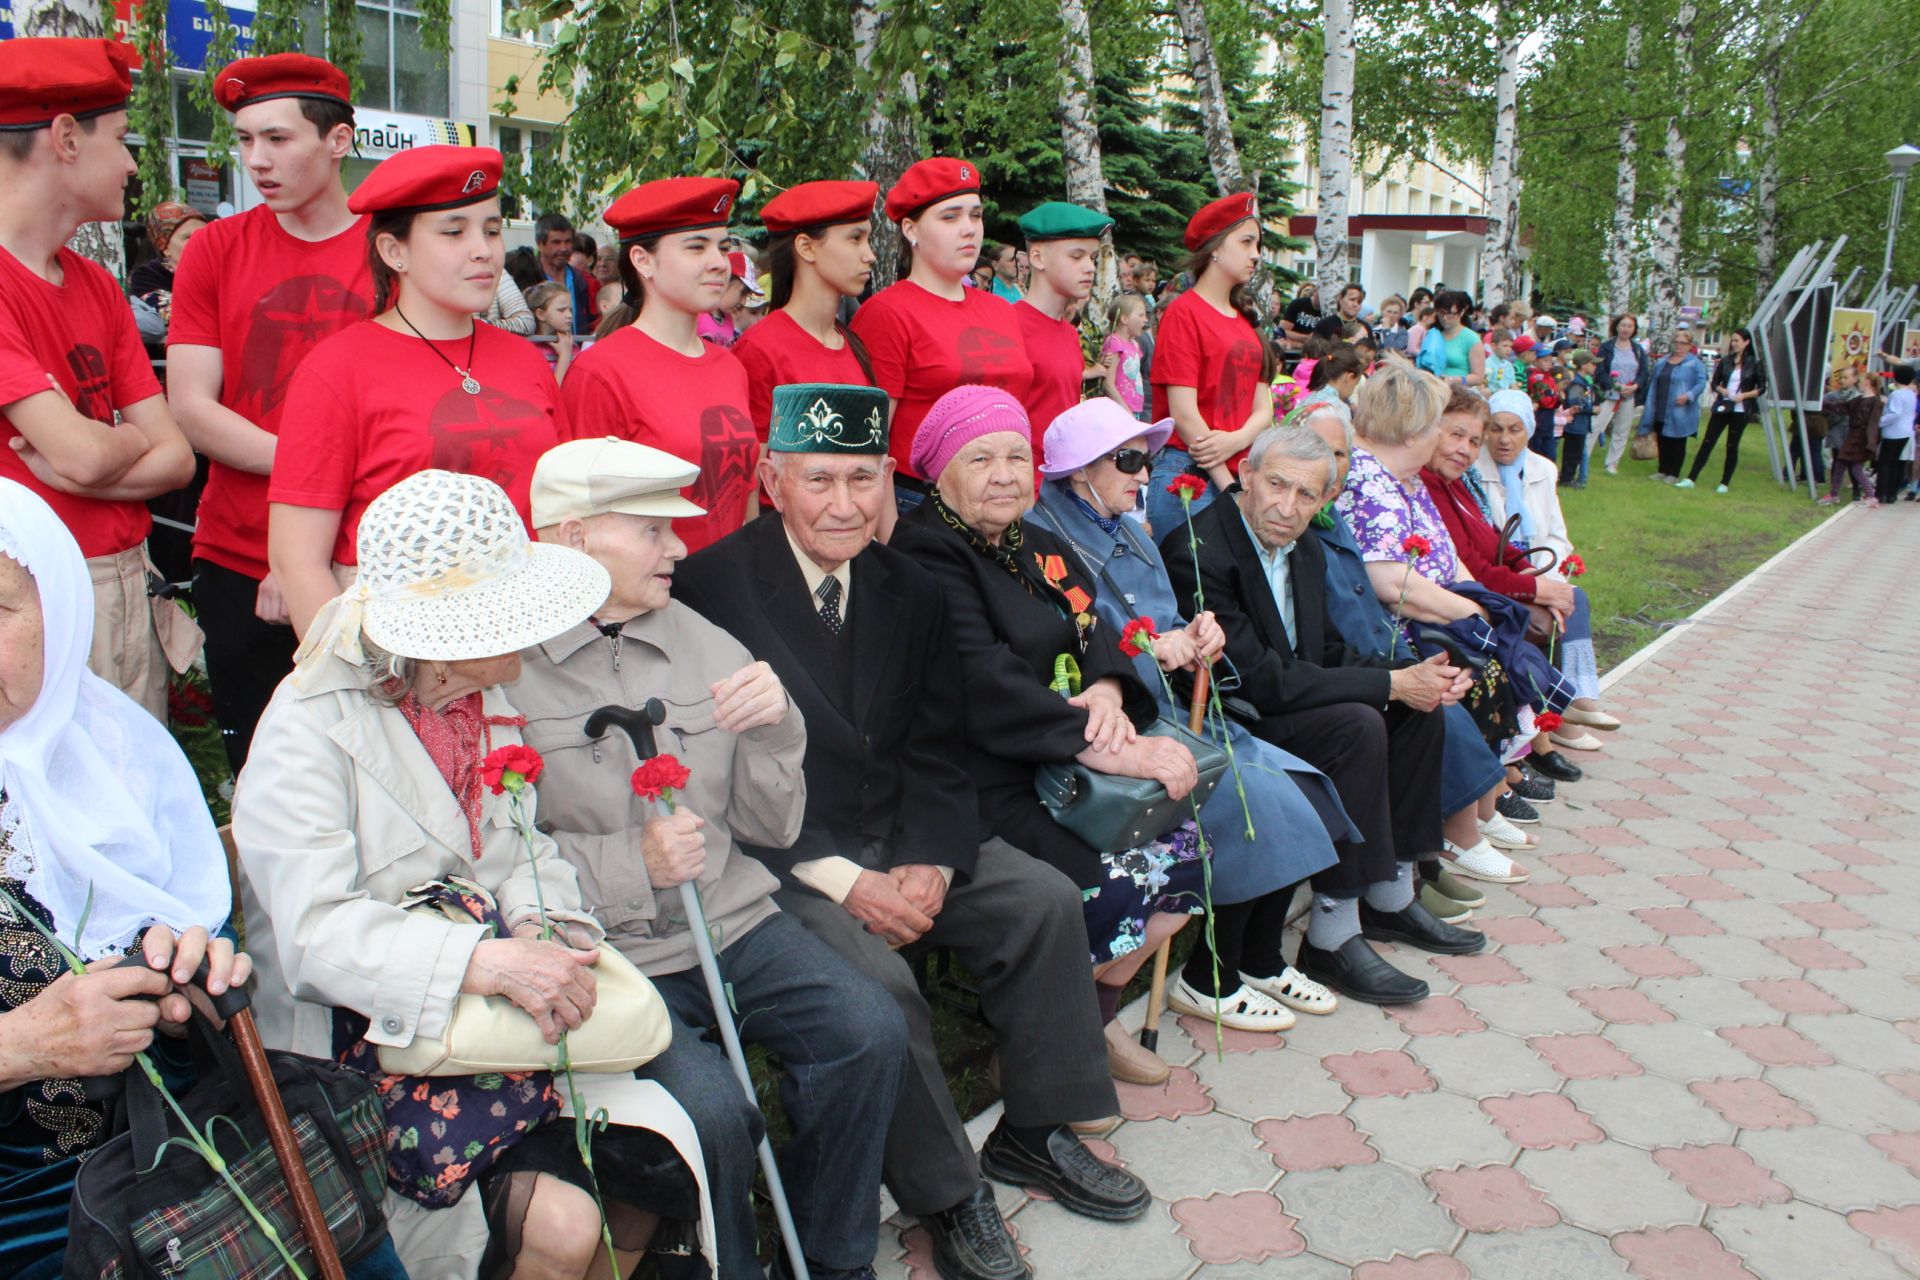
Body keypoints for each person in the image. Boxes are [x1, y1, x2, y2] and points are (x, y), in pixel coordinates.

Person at [678, 384, 1146, 1280]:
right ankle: (950, 1195)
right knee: (877, 983)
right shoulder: (711, 588)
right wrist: (846, 882)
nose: (845, 505)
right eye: (820, 480)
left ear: (891, 479)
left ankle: (1036, 1135)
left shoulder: (910, 583)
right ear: (772, 478)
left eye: (864, 479)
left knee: (1041, 903)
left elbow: (940, 742)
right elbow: (712, 781)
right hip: (785, 860)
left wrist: (933, 855)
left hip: (907, 829)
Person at [236, 469, 712, 1279]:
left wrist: (538, 925)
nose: (534, 635)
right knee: (565, 1222)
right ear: (448, 632)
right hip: (369, 1053)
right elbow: (314, 938)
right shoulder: (307, 730)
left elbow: (520, 852)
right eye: (513, 614)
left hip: (497, 1022)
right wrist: (484, 961)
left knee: (654, 1172)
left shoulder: (473, 699)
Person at [514, 437, 906, 1280]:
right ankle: (729, 1264)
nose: (680, 548)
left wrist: (778, 730)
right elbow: (493, 860)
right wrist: (632, 863)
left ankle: (831, 1258)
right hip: (604, 950)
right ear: (573, 537)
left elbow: (768, 825)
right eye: (653, 530)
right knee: (711, 1114)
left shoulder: (704, 641)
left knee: (866, 1031)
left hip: (729, 921)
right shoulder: (502, 671)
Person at [0, 481, 329, 1280]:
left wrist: (187, 985)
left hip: (171, 1178)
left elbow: (195, 947)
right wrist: (21, 1046)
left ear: (63, 609)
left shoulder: (117, 750)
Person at [891, 385, 1214, 1069]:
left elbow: (1094, 623)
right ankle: (1056, 1029)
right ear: (940, 472)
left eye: (1017, 454)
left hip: (1065, 754)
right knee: (1115, 875)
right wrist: (1107, 750)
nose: (1006, 473)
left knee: (1187, 856)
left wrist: (1103, 687)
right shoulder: (926, 555)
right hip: (983, 771)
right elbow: (980, 679)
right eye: (981, 460)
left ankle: (1086, 1013)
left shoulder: (1033, 541)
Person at [1027, 398, 1358, 1027]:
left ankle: (1256, 958)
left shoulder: (1127, 527)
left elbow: (1168, 619)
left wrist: (1197, 634)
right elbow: (1077, 638)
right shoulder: (1047, 538)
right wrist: (1154, 645)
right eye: (1127, 460)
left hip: (1176, 707)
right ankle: (1213, 974)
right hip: (1120, 723)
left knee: (1301, 788)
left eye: (1146, 458)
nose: (1144, 472)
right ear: (1077, 470)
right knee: (1260, 802)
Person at [1163, 421, 1487, 1005]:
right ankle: (1334, 930)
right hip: (1236, 714)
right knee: (1359, 722)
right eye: (1278, 485)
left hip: (1288, 698)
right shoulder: (1200, 549)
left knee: (1419, 710)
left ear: (1326, 499)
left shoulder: (1302, 545)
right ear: (1246, 475)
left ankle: (1390, 894)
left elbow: (1327, 650)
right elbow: (1260, 680)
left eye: (1307, 495)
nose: (1288, 507)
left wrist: (1420, 673)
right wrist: (1388, 684)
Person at [268, 146, 565, 638]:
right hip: (400, 643)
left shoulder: (524, 359)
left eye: (491, 230)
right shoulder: (338, 369)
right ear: (394, 251)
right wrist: (358, 676)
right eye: (454, 231)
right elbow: (296, 558)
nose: (483, 250)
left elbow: (559, 510)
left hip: (530, 630)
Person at [170, 54, 375, 762]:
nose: (256, 160)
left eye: (277, 139)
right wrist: (304, 510)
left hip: (364, 562)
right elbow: (193, 407)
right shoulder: (216, 249)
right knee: (262, 774)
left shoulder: (392, 248)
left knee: (376, 771)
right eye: (245, 140)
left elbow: (401, 418)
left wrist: (309, 551)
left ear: (338, 141)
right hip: (233, 549)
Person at [0, 37, 200, 719]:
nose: (130, 163)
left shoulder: (93, 282)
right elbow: (86, 452)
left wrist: (88, 456)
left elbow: (173, 457)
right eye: (120, 139)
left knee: (127, 804)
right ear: (64, 138)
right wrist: (105, 443)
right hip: (33, 601)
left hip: (123, 583)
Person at [1291, 404, 1511, 916]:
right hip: (1332, 672)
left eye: (1342, 454)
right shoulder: (1298, 532)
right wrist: (1392, 679)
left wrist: (1402, 671)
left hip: (1369, 650)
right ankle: (1408, 870)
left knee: (1438, 691)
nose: (1332, 465)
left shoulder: (1332, 519)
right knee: (1393, 713)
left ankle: (1416, 864)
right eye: (1320, 452)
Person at [566, 176, 759, 554]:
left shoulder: (730, 366)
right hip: (654, 594)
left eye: (722, 247)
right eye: (696, 247)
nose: (719, 263)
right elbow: (581, 514)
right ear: (642, 260)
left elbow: (745, 490)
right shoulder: (602, 372)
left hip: (731, 584)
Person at [849, 158, 1035, 507]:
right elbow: (871, 444)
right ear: (911, 230)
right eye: (950, 217)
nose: (969, 229)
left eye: (975, 215)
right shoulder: (887, 313)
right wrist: (891, 538)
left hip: (1003, 496)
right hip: (922, 502)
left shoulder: (1000, 310)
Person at [1443, 390, 1618, 753]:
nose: (1503, 439)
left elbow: (1552, 534)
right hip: (1489, 585)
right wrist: (1534, 588)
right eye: (1495, 429)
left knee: (1570, 600)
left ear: (1530, 432)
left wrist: (1542, 581)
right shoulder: (1471, 470)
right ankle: (1551, 727)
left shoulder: (1541, 469)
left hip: (1531, 566)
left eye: (1515, 429)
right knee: (1539, 616)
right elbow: (1482, 556)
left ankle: (1572, 708)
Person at [1145, 192, 1275, 532]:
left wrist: (1235, 444)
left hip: (1237, 473)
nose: (1256, 255)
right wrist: (1228, 485)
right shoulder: (1183, 313)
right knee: (1189, 584)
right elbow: (1184, 414)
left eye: (1257, 244)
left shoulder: (1246, 323)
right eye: (1246, 242)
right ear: (1215, 247)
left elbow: (1264, 409)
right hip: (1189, 478)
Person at [733, 179, 879, 436]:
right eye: (855, 238)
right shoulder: (761, 350)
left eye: (868, 239)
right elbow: (755, 470)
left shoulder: (853, 346)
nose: (870, 255)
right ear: (806, 247)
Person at [1013, 201, 1114, 432]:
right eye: (1076, 256)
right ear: (1038, 258)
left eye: (1093, 258)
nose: (1090, 267)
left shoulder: (1069, 332)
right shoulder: (1009, 326)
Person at [1681, 328, 1767, 492]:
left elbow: (1762, 388)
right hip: (1723, 406)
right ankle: (1691, 477)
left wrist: (1745, 395)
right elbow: (1714, 383)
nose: (1733, 343)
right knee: (1708, 441)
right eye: (1732, 340)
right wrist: (1723, 390)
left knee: (1732, 445)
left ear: (1746, 342)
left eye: (1737, 340)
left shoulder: (1754, 363)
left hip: (1740, 409)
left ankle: (1724, 483)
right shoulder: (1726, 361)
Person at [1643, 329, 1708, 482]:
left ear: (1689, 345)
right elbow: (1654, 381)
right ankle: (1662, 469)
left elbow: (1701, 383)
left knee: (1677, 440)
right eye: (1676, 342)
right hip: (1660, 405)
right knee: (1662, 438)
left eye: (1682, 343)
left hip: (1680, 408)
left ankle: (1674, 473)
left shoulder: (1695, 363)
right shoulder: (1663, 361)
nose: (1678, 345)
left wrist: (1689, 395)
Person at [128, 200, 208, 323]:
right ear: (164, 247)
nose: (200, 242)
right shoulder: (148, 276)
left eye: (205, 235)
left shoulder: (223, 271)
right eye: (188, 237)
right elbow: (177, 314)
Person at [1591, 313, 1649, 475]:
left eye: (1629, 326)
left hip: (1629, 395)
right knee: (1596, 426)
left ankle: (1612, 463)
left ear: (1634, 329)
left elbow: (1644, 372)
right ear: (1616, 326)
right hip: (1609, 394)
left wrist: (1635, 386)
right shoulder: (1607, 347)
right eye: (1623, 325)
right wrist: (1615, 385)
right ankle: (1583, 458)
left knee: (1622, 430)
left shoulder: (1637, 350)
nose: (1626, 329)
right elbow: (1600, 371)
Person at [1820, 364, 1874, 506]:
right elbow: (1830, 407)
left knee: (1854, 466)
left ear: (1855, 379)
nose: (1842, 380)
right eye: (1841, 378)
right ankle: (1835, 491)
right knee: (1838, 462)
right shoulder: (1834, 395)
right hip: (1839, 433)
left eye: (1846, 377)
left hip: (1853, 436)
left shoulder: (1861, 398)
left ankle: (1861, 492)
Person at [534, 211, 596, 334]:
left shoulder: (585, 281)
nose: (563, 248)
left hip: (578, 351)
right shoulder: (528, 279)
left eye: (568, 242)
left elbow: (595, 323)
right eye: (556, 242)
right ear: (540, 244)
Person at [1415, 289, 1486, 389]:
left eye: (1450, 314)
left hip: (1459, 392)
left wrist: (1454, 380)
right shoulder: (1433, 334)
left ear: (1461, 312)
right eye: (1441, 313)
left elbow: (1478, 377)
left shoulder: (1471, 338)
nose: (1444, 318)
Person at [696, 250, 760, 349]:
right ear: (725, 281)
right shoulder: (697, 315)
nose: (743, 302)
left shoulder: (728, 319)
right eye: (742, 293)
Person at [1873, 363, 1916, 506]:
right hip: (1906, 432)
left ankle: (1881, 493)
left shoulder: (1896, 394)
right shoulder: (1911, 394)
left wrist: (1878, 422)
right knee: (1896, 463)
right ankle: (1892, 494)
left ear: (1895, 378)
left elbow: (1894, 413)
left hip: (1893, 432)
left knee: (1885, 463)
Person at [1102, 293, 1149, 418]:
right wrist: (1125, 410)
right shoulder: (1114, 342)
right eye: (1141, 315)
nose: (1145, 319)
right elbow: (1108, 384)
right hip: (1120, 410)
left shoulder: (1134, 344)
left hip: (1135, 410)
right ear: (1124, 319)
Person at [524, 281, 576, 382]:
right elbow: (550, 394)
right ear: (540, 314)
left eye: (570, 310)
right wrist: (564, 356)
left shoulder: (572, 345)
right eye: (561, 310)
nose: (569, 315)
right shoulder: (530, 350)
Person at [1561, 350, 1598, 487]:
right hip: (1575, 425)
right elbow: (1575, 404)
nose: (1595, 366)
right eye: (1592, 363)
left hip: (1581, 425)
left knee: (1576, 453)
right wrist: (1591, 409)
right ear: (1583, 365)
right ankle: (1566, 479)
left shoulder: (1583, 382)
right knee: (1572, 454)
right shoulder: (1577, 384)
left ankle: (1570, 478)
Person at [1279, 281, 1322, 346]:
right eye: (1319, 294)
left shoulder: (1330, 311)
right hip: (1292, 348)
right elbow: (1281, 331)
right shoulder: (1298, 304)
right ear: (1314, 291)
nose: (1321, 298)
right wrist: (1305, 338)